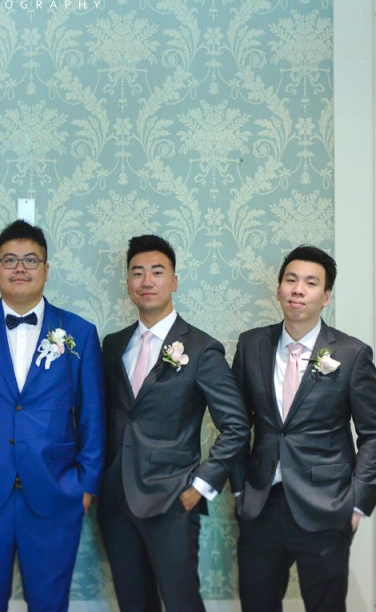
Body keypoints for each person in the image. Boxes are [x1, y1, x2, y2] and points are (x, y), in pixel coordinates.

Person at [0, 219, 105, 612]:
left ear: (46, 268)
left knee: (49, 604)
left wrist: (85, 487)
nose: (20, 268)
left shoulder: (79, 332)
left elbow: (92, 417)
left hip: (55, 493)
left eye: (31, 260)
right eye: (10, 260)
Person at [231, 245, 376, 612]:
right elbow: (237, 423)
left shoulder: (351, 353)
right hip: (262, 503)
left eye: (310, 282)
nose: (298, 289)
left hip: (327, 505)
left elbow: (375, 435)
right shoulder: (252, 344)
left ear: (326, 296)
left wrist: (357, 504)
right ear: (279, 289)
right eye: (291, 280)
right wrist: (239, 488)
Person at [98, 234, 250, 612]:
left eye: (157, 271)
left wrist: (200, 486)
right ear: (128, 283)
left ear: (174, 281)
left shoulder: (201, 348)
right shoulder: (113, 345)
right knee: (133, 603)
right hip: (116, 500)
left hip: (172, 499)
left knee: (182, 602)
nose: (146, 281)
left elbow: (236, 426)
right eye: (137, 272)